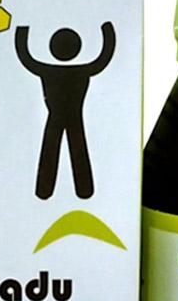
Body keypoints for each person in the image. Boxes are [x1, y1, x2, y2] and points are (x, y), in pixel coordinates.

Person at [15, 22, 116, 199]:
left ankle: (44, 191)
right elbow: (102, 59)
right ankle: (83, 190)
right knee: (77, 147)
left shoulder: (48, 71)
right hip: (73, 117)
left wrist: (21, 32)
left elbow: (27, 59)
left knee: (51, 148)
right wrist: (107, 30)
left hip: (55, 118)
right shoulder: (83, 71)